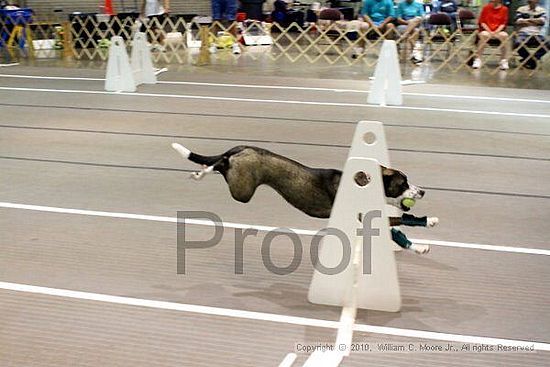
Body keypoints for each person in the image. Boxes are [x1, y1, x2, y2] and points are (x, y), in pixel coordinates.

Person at [473, 0, 510, 70]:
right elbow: (482, 22)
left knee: (505, 35)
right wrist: (490, 31)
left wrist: (495, 32)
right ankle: (478, 59)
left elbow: (503, 23)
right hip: (487, 30)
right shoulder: (485, 8)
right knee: (483, 35)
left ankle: (503, 60)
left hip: (498, 31)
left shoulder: (505, 9)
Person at [514, 0, 549, 70]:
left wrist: (526, 20)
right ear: (528, 1)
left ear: (537, 1)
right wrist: (535, 21)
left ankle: (529, 60)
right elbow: (518, 21)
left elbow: (542, 22)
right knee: (517, 43)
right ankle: (532, 61)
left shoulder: (541, 10)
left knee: (548, 44)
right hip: (523, 33)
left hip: (537, 34)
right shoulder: (521, 9)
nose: (533, 1)